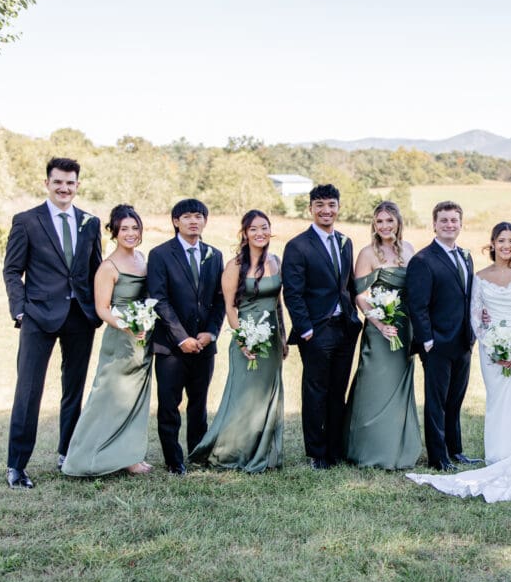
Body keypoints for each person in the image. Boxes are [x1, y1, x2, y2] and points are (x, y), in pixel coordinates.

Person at [407, 223, 511, 500]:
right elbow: (475, 315)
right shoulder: (480, 276)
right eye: (501, 240)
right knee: (496, 403)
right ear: (492, 243)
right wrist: (492, 347)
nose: (506, 246)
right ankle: (496, 455)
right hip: (491, 351)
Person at [3, 157, 102, 488]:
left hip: (80, 318)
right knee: (28, 391)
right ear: (47, 183)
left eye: (70, 182)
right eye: (58, 181)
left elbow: (95, 270)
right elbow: (12, 270)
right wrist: (20, 310)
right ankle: (17, 466)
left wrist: (98, 309)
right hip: (37, 317)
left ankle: (67, 455)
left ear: (78, 185)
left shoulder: (90, 222)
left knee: (73, 391)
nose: (64, 188)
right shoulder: (27, 221)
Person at [190, 210, 287, 472]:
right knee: (244, 396)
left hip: (272, 339)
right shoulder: (234, 266)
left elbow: (278, 304)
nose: (260, 233)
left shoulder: (276, 262)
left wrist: (283, 337)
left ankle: (264, 452)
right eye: (254, 229)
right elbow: (230, 308)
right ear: (244, 233)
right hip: (247, 337)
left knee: (267, 395)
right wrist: (244, 340)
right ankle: (229, 452)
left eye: (264, 227)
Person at [62, 205, 153, 477]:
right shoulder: (108, 266)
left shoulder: (143, 259)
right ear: (114, 232)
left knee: (136, 397)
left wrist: (143, 324)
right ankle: (83, 456)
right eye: (124, 228)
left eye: (135, 228)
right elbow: (102, 308)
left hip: (144, 336)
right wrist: (127, 326)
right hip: (121, 338)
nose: (130, 233)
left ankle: (129, 455)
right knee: (109, 397)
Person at [282, 184, 362, 469]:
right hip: (316, 330)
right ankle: (317, 453)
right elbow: (293, 292)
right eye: (320, 205)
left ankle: (335, 449)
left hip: (345, 327)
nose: (326, 210)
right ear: (311, 209)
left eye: (331, 204)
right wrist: (306, 330)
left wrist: (355, 316)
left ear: (338, 207)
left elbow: (349, 285)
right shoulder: (297, 245)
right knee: (316, 390)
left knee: (337, 388)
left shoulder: (345, 241)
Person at [148, 198, 225, 475]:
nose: (194, 221)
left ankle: (197, 452)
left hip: (204, 344)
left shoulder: (214, 255)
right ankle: (173, 460)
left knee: (199, 402)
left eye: (199, 216)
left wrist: (211, 332)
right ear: (175, 222)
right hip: (171, 346)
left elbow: (221, 299)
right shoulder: (160, 254)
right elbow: (159, 299)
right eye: (188, 216)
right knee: (169, 404)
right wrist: (182, 337)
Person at [345, 201, 421, 470]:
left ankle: (399, 447)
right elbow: (361, 296)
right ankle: (369, 448)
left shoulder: (409, 249)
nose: (385, 226)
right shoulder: (367, 254)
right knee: (375, 386)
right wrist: (379, 324)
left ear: (398, 222)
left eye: (390, 221)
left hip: (404, 327)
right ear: (374, 225)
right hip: (379, 331)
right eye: (380, 221)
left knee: (400, 388)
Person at [407, 201, 480, 471]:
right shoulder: (423, 260)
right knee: (436, 403)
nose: (450, 225)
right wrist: (427, 340)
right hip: (436, 343)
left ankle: (456, 450)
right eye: (444, 220)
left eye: (454, 220)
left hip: (463, 341)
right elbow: (418, 305)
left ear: (461, 224)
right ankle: (439, 458)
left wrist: (472, 333)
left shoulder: (466, 256)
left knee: (455, 400)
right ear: (434, 224)